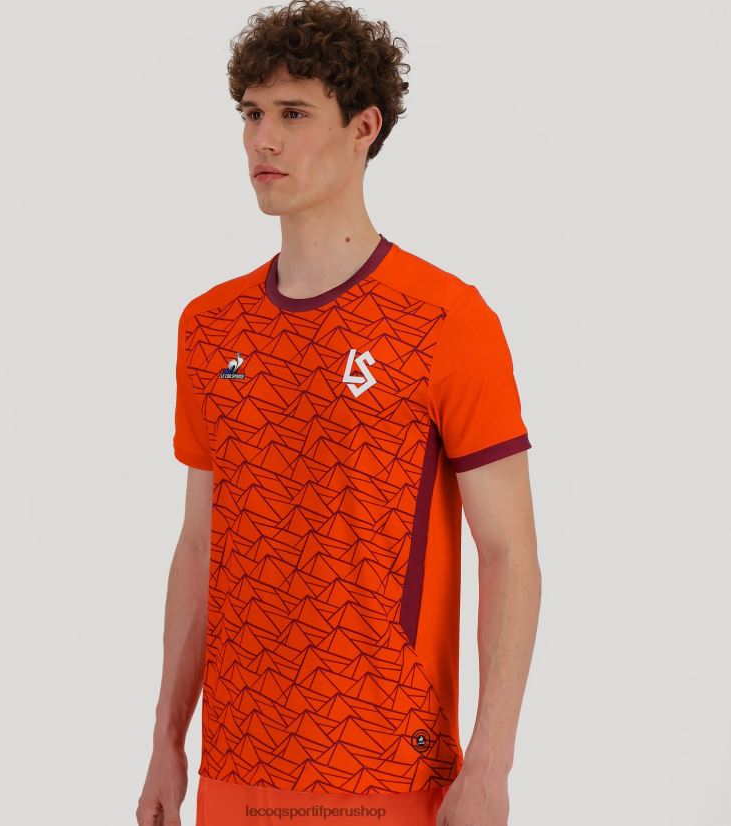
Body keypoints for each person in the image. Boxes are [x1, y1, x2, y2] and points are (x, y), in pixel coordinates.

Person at [136, 1, 540, 824]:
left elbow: (509, 554)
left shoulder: (445, 319)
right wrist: (166, 742)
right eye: (251, 113)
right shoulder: (209, 327)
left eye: (293, 114)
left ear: (364, 127)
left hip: (387, 766)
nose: (263, 141)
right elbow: (200, 545)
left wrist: (492, 765)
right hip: (236, 769)